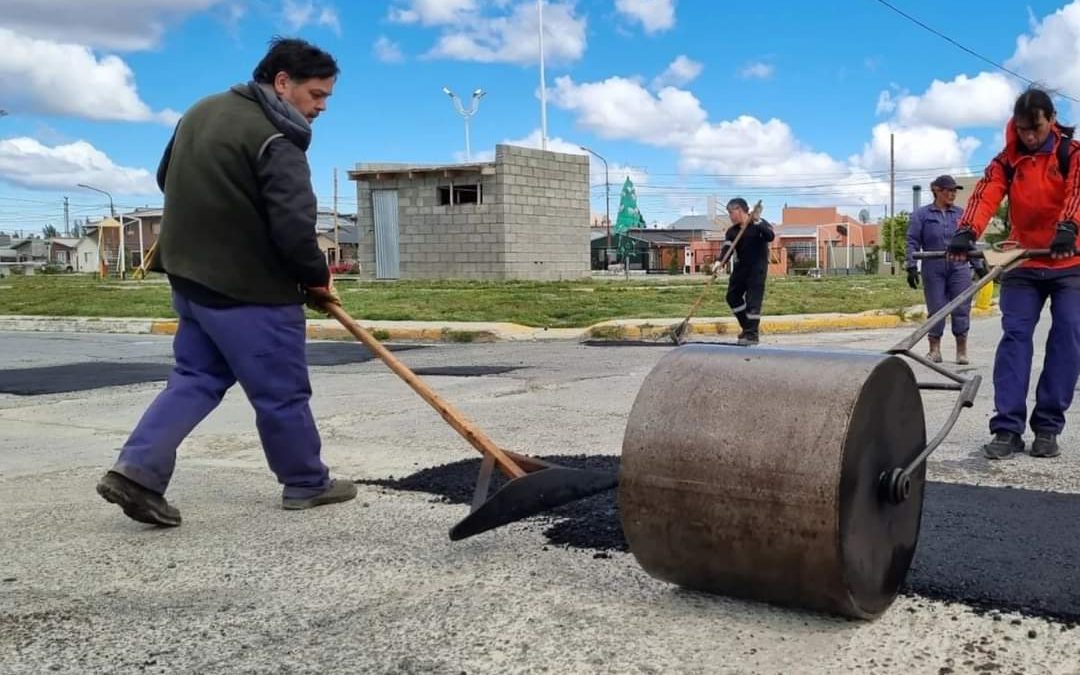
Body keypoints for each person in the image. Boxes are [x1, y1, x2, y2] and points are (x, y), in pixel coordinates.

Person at [96, 37, 357, 526]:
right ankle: (306, 482)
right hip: (249, 290)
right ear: (283, 83)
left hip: (190, 280)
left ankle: (136, 472)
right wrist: (316, 280)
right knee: (281, 392)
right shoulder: (276, 137)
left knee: (196, 378)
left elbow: (164, 177)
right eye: (317, 95)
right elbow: (294, 227)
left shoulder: (200, 111)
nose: (321, 106)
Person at [947, 87, 1080, 460]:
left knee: (1068, 336)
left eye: (1035, 129)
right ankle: (1007, 428)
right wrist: (967, 230)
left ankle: (1048, 427)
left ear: (1051, 121)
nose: (1029, 137)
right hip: (1024, 259)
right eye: (1022, 130)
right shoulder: (1007, 160)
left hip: (1069, 261)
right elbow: (987, 192)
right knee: (1015, 338)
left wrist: (1068, 227)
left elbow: (1077, 192)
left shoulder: (1071, 154)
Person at [905, 175, 973, 365]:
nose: (951, 194)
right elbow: (912, 241)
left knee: (961, 307)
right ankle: (934, 350)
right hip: (933, 266)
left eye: (954, 191)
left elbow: (969, 241)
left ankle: (961, 351)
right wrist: (910, 265)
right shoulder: (922, 215)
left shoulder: (961, 214)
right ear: (936, 190)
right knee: (936, 308)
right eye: (947, 190)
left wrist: (978, 265)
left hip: (959, 266)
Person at [712, 198, 774, 345]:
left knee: (753, 301)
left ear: (739, 210)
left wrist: (757, 221)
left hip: (757, 269)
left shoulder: (759, 224)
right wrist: (719, 263)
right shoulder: (732, 231)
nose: (730, 216)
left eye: (730, 213)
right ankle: (747, 327)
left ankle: (751, 335)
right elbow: (727, 249)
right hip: (741, 268)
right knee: (732, 296)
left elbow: (770, 236)